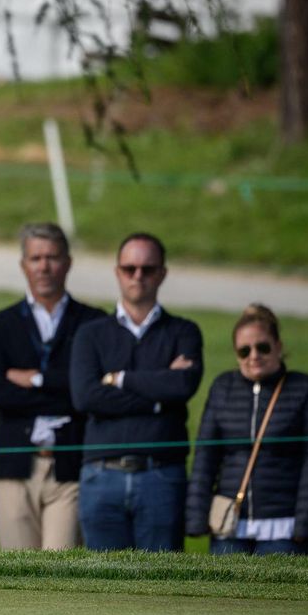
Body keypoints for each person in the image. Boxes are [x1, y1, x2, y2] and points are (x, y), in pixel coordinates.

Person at [71, 233, 203, 551]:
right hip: (101, 477)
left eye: (147, 268)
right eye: (129, 268)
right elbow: (86, 397)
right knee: (103, 590)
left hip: (161, 476)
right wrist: (158, 399)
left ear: (162, 274)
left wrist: (119, 379)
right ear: (118, 272)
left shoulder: (184, 332)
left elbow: (182, 386)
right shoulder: (91, 334)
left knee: (163, 589)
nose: (138, 276)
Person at [0, 222, 103, 550]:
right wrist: (65, 387)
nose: (44, 266)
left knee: (59, 569)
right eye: (36, 258)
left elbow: (88, 394)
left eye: (52, 257)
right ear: (24, 265)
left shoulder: (94, 323)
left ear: (68, 263)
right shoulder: (0, 325)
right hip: (13, 468)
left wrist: (35, 379)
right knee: (19, 574)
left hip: (68, 469)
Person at [186, 304, 308, 555]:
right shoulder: (222, 388)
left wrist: (305, 524)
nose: (254, 356)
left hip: (284, 527)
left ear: (279, 346)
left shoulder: (304, 388)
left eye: (263, 347)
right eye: (244, 350)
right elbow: (205, 458)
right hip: (229, 526)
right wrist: (197, 518)